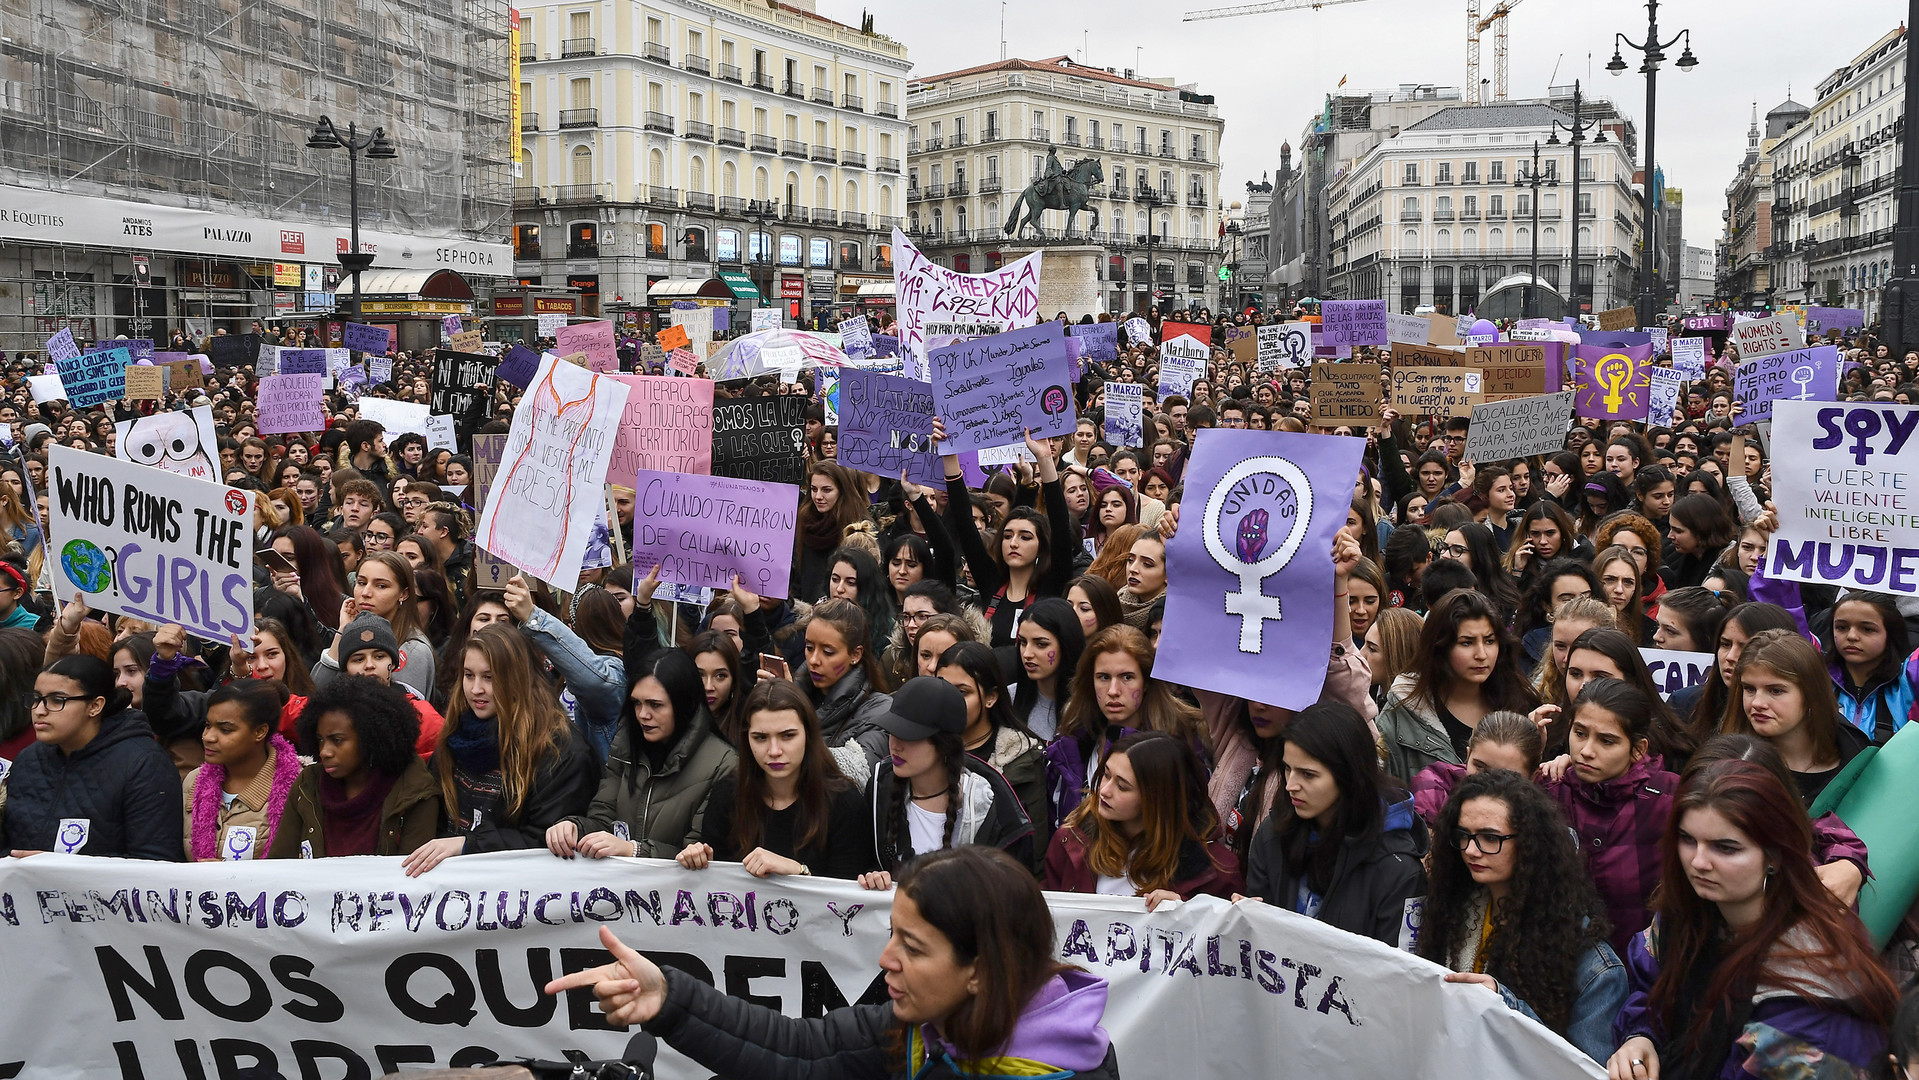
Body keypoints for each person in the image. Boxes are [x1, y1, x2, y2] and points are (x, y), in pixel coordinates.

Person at [545, 847, 1121, 1080]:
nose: (885, 960)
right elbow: (796, 1050)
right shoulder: (920, 1030)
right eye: (893, 935)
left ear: (983, 971)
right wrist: (670, 1001)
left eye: (914, 949)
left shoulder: (1066, 1069)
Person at [1607, 761, 1898, 1080]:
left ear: (1773, 856)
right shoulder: (1689, 914)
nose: (1699, 862)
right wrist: (1639, 1037)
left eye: (1726, 848)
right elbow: (1652, 988)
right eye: (1688, 840)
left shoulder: (1808, 995)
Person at [1420, 769, 1626, 1062]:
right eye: (1463, 835)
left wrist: (1501, 1003)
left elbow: (1582, 1069)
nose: (1471, 850)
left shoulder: (1593, 965)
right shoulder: (1451, 913)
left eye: (1490, 838)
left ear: (1531, 843)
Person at [403, 624, 598, 875]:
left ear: (517, 678)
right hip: (450, 886)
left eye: (489, 677)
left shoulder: (559, 750)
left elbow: (545, 840)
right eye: (469, 675)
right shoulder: (457, 731)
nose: (476, 690)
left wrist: (468, 845)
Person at [1239, 702, 1428, 946]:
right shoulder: (1272, 835)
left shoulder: (1398, 870)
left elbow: (1401, 973)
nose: (1290, 785)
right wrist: (1242, 920)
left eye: (1308, 774)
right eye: (1287, 769)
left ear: (1349, 776)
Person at [545, 649, 736, 860]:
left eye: (655, 705)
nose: (643, 715)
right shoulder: (626, 740)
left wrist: (633, 850)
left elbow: (698, 856)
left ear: (684, 704)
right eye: (637, 703)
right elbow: (603, 817)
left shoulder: (724, 764)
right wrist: (574, 827)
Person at [675, 679, 874, 880]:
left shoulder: (845, 803)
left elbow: (848, 902)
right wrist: (698, 861)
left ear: (808, 734)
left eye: (787, 736)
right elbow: (714, 888)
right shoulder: (726, 795)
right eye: (760, 737)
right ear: (746, 739)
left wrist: (798, 871)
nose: (774, 751)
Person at [858, 677, 1034, 890]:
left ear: (945, 744)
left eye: (909, 736)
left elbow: (1013, 896)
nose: (895, 745)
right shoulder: (879, 787)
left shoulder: (993, 810)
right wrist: (872, 877)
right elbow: (859, 865)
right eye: (892, 732)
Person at [1546, 678, 1681, 954]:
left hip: (1644, 973)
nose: (1586, 751)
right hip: (1560, 969)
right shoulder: (1547, 791)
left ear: (1638, 749)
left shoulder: (1671, 800)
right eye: (1580, 733)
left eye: (1606, 741)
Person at [3, 655, 183, 860]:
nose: (39, 710)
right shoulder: (28, 759)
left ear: (95, 706)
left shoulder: (145, 764)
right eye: (36, 698)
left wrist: (59, 871)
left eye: (57, 700)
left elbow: (156, 862)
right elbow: (8, 845)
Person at [1044, 730, 1242, 905]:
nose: (1104, 791)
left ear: (1157, 800)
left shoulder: (1216, 871)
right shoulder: (1071, 839)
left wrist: (1187, 912)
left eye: (1122, 786)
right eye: (1105, 774)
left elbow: (1228, 936)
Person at [1045, 624, 1206, 830]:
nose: (1113, 691)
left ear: (1146, 682)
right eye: (1103, 677)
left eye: (1127, 677)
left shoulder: (1179, 743)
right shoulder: (1071, 741)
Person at [1377, 588, 1540, 784]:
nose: (1481, 654)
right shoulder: (1403, 711)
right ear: (1440, 647)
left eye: (1489, 641)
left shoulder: (1522, 705)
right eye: (1466, 643)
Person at [269, 676, 441, 858]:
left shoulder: (415, 789)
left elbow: (412, 877)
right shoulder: (308, 784)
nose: (324, 752)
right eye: (320, 740)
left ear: (371, 738)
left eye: (337, 740)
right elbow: (279, 864)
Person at [1721, 630, 1869, 807]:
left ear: (1811, 693)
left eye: (1776, 690)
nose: (1757, 703)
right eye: (1749, 689)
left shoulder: (1859, 762)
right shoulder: (1726, 767)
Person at [938, 641, 1049, 859]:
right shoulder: (921, 750)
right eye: (942, 689)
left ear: (991, 697)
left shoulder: (1023, 759)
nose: (949, 701)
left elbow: (1033, 850)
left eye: (962, 692)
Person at [183, 679, 303, 861]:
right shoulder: (194, 781)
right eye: (207, 726)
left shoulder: (299, 786)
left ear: (260, 732)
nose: (208, 737)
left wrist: (233, 877)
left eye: (225, 730)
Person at [1410, 710, 1542, 824]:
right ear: (1468, 755)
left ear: (1533, 777)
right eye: (1480, 767)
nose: (1488, 781)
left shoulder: (1548, 801)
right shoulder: (1437, 783)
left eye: (1505, 775)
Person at [1010, 597, 1084, 741]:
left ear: (1066, 644)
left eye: (1041, 644)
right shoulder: (1009, 698)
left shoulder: (1089, 707)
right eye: (1023, 642)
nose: (1027, 654)